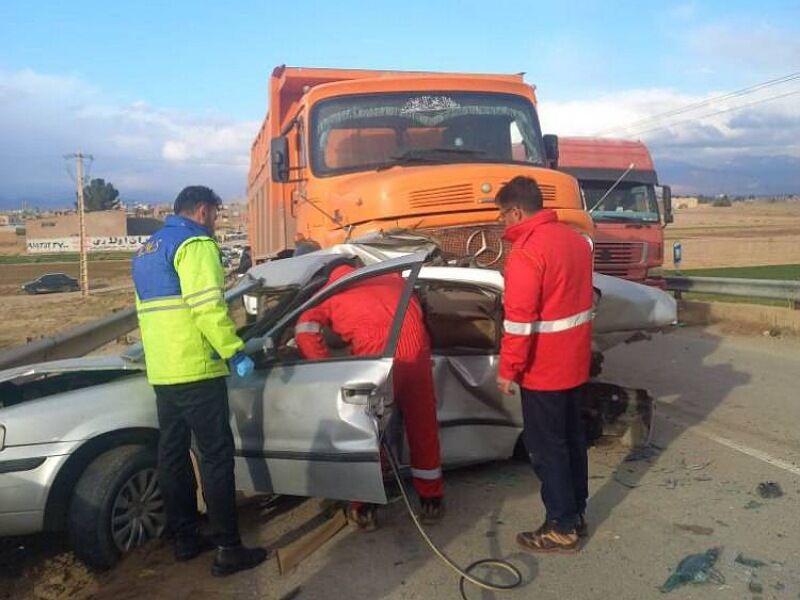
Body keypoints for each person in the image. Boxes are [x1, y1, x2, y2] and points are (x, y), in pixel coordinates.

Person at [132, 186, 268, 576]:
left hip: (163, 371)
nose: (216, 223)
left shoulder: (146, 249)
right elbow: (208, 307)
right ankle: (228, 548)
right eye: (216, 216)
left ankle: (185, 538)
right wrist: (235, 352)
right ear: (204, 211)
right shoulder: (196, 244)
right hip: (197, 368)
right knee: (214, 457)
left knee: (173, 455)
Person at [294, 263, 445, 528]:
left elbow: (304, 329)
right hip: (416, 354)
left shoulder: (332, 291)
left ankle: (365, 507)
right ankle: (431, 500)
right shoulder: (391, 277)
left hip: (376, 361)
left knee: (369, 435)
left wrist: (327, 368)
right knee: (423, 430)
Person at [495, 176, 594, 554]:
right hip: (574, 363)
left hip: (543, 370)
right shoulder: (575, 241)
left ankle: (560, 527)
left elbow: (519, 321)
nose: (504, 223)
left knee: (546, 449)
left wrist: (509, 369)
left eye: (503, 216)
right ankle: (575, 513)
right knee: (572, 442)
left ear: (516, 211)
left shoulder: (527, 252)